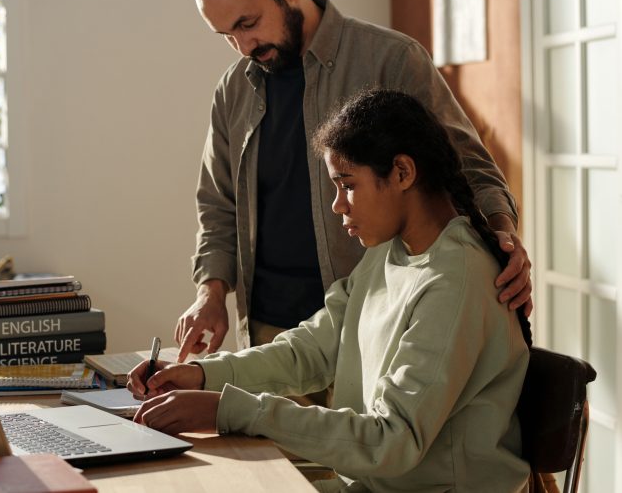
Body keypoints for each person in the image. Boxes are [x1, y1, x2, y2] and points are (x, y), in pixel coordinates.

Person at [132, 90, 533, 492]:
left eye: (347, 185)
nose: (338, 206)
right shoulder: (389, 253)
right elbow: (312, 350)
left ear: (402, 173)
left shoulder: (455, 279)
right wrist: (203, 376)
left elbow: (391, 440)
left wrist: (229, 409)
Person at [174, 0, 533, 363]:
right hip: (269, 339)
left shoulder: (391, 60)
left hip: (376, 333)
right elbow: (218, 206)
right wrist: (210, 293)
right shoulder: (232, 91)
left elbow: (470, 169)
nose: (242, 45)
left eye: (248, 23)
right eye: (226, 35)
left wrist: (503, 235)